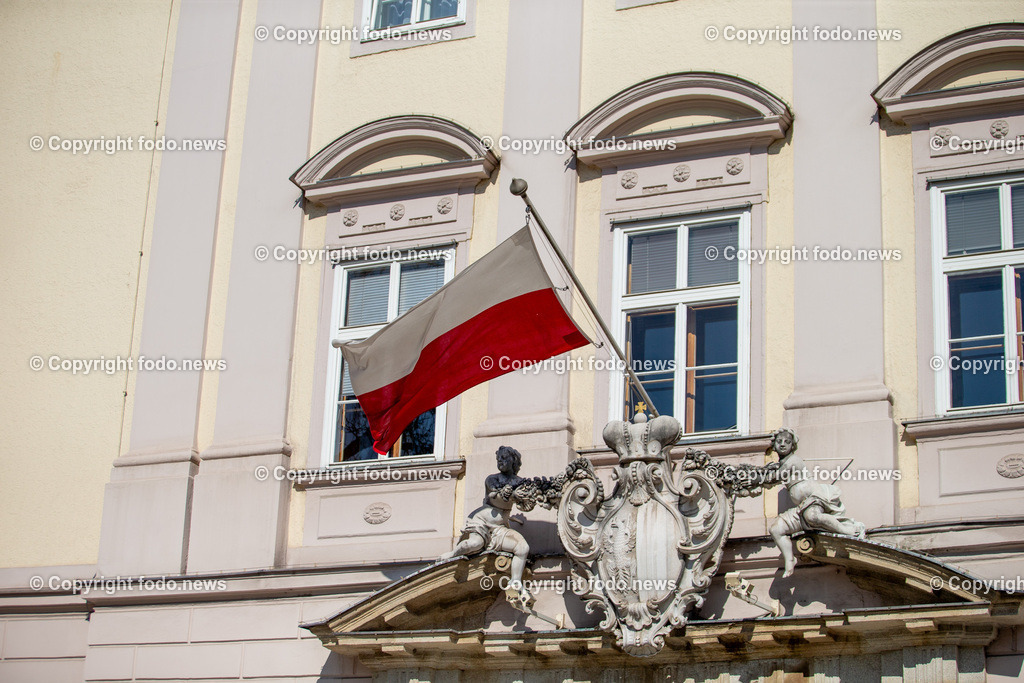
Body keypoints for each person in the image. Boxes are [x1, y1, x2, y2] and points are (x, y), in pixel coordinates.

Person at [439, 446, 534, 607]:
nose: (500, 461)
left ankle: (515, 583)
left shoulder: (519, 482)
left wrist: (524, 498)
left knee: (522, 548)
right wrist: (513, 494)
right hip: (482, 522)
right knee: (474, 544)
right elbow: (495, 495)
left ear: (513, 460)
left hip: (500, 528)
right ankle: (453, 554)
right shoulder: (492, 479)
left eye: (504, 458)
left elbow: (527, 505)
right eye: (498, 459)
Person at [768, 428, 866, 577]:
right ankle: (789, 559)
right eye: (779, 441)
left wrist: (756, 476)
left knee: (813, 516)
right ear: (773, 445)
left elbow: (775, 476)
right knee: (776, 529)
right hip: (801, 507)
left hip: (814, 499)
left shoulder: (794, 460)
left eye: (787, 441)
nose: (782, 444)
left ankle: (849, 530)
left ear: (792, 446)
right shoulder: (781, 464)